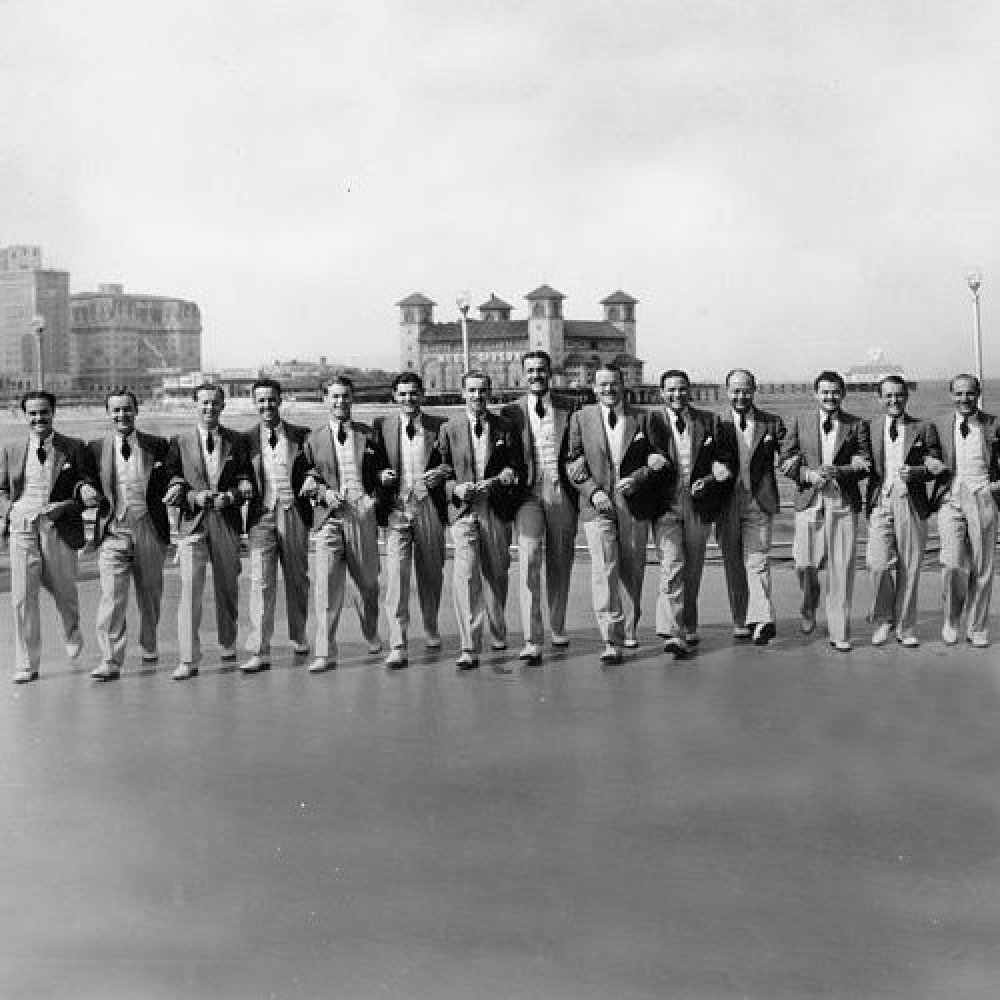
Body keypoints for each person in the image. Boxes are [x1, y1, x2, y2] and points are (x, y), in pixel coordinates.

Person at [565, 364, 667, 664]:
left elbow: (662, 461)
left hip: (635, 505)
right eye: (602, 385)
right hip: (597, 506)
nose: (608, 390)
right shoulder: (580, 418)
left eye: (613, 384)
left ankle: (630, 626)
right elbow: (573, 462)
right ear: (594, 388)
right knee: (604, 571)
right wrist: (593, 492)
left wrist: (640, 476)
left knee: (633, 568)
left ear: (623, 386)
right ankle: (611, 639)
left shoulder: (645, 417)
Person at [0, 390, 98, 683]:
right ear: (24, 416)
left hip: (58, 527)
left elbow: (86, 485)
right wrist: (9, 510)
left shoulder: (74, 447)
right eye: (32, 413)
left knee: (64, 590)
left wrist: (66, 505)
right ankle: (27, 663)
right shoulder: (11, 448)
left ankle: (72, 628)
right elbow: (2, 489)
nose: (38, 418)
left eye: (44, 412)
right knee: (22, 597)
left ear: (53, 413)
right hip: (22, 527)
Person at [164, 382, 253, 680]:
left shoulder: (237, 441)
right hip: (192, 524)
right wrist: (193, 497)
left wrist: (233, 495)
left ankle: (228, 644)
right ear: (195, 406)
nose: (209, 408)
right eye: (203, 403)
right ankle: (188, 658)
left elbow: (244, 479)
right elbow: (173, 479)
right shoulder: (178, 442)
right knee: (190, 590)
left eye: (214, 403)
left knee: (228, 587)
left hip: (226, 522)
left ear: (222, 406)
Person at [437, 370, 524, 670]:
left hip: (495, 509)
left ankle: (498, 632)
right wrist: (455, 488)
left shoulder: (506, 427)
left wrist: (504, 478)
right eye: (472, 391)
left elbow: (516, 467)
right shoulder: (449, 429)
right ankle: (469, 645)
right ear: (463, 393)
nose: (477, 397)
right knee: (466, 576)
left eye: (483, 391)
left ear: (491, 393)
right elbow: (441, 474)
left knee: (497, 572)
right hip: (463, 512)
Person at [780, 370, 872, 652]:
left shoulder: (857, 425)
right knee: (803, 563)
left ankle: (839, 630)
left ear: (842, 394)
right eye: (825, 392)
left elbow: (866, 463)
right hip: (809, 501)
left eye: (835, 392)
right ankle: (809, 604)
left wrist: (841, 470)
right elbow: (785, 458)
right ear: (816, 394)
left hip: (842, 503)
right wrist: (807, 475)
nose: (830, 397)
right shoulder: (800, 421)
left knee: (842, 568)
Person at [648, 369, 736, 657]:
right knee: (672, 566)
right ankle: (673, 633)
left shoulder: (709, 421)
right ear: (662, 393)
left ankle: (688, 624)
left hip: (698, 505)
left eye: (682, 389)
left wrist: (711, 479)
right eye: (671, 390)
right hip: (666, 506)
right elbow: (638, 457)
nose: (677, 395)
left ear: (690, 391)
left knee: (693, 569)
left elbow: (723, 460)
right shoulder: (651, 421)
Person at [87, 389, 172, 681]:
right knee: (112, 597)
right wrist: (84, 490)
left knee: (150, 595)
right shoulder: (96, 448)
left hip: (148, 526)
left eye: (127, 409)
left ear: (137, 411)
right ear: (108, 413)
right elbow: (85, 480)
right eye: (116, 410)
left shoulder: (157, 446)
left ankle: (149, 643)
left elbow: (173, 475)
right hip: (113, 530)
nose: (121, 415)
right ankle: (110, 659)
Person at [301, 375, 384, 672]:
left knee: (368, 584)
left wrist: (373, 500)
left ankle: (371, 631)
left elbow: (385, 473)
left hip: (362, 514)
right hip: (329, 518)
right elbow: (306, 478)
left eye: (345, 396)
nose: (340, 402)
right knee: (326, 585)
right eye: (334, 396)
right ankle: (325, 651)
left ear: (353, 398)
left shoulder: (370, 435)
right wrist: (323, 492)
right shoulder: (313, 439)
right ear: (325, 399)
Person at [500, 351, 579, 664]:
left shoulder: (570, 407)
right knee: (530, 559)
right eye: (530, 370)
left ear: (550, 373)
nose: (536, 375)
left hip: (561, 491)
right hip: (528, 495)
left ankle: (557, 626)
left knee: (561, 561)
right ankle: (533, 639)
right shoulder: (510, 412)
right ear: (523, 374)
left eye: (541, 370)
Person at [372, 372, 450, 669]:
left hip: (429, 506)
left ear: (422, 396)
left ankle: (430, 625)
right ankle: (398, 642)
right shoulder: (382, 426)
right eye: (403, 394)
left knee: (431, 574)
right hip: (396, 508)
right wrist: (381, 475)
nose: (408, 399)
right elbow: (373, 464)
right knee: (396, 577)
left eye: (414, 393)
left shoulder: (439, 426)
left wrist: (442, 472)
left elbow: (452, 462)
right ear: (395, 396)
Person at [239, 378, 313, 673]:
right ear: (254, 403)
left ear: (280, 400)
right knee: (261, 583)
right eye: (261, 400)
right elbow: (238, 471)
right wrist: (243, 481)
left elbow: (313, 465)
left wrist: (311, 478)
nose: (267, 405)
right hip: (261, 516)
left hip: (294, 512)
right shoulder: (245, 440)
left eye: (272, 399)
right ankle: (259, 649)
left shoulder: (301, 435)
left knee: (297, 579)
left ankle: (299, 635)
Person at [864, 376, 941, 648]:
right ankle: (884, 618)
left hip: (911, 501)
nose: (894, 400)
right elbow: (859, 459)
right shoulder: (869, 427)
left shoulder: (924, 427)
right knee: (877, 563)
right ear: (879, 398)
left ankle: (905, 626)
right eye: (888, 396)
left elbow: (935, 464)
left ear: (906, 397)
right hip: (881, 501)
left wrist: (917, 472)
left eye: (899, 395)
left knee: (910, 567)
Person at [714, 368, 786, 646]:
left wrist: (790, 464)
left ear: (754, 391)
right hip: (726, 503)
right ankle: (741, 620)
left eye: (746, 390)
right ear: (727, 391)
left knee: (757, 561)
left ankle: (763, 620)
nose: (740, 396)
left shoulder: (772, 423)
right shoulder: (717, 424)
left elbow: (790, 451)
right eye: (735, 390)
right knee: (733, 565)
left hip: (759, 501)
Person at [930, 374, 1000, 647]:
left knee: (983, 566)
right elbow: (927, 454)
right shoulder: (940, 423)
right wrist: (930, 461)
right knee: (952, 563)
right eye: (959, 394)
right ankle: (951, 619)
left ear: (978, 393)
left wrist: (994, 487)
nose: (964, 399)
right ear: (951, 395)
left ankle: (978, 626)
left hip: (983, 495)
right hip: (951, 497)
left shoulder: (993, 424)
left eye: (970, 393)